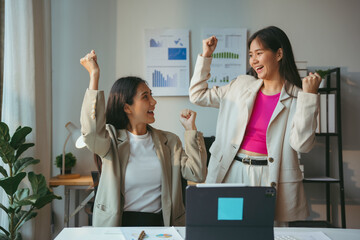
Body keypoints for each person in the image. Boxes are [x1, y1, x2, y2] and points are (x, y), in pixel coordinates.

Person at [189, 26, 322, 224]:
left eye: (259, 53)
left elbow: (302, 144)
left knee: (265, 232)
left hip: (269, 175)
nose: (253, 60)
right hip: (233, 170)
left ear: (279, 54)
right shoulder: (241, 85)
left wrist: (310, 96)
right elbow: (197, 94)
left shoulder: (298, 97)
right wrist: (206, 56)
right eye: (251, 55)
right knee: (228, 229)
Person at [80, 50, 207, 227]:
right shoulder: (111, 140)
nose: (153, 102)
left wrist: (190, 130)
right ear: (127, 107)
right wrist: (94, 75)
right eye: (145, 97)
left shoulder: (169, 141)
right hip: (118, 227)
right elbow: (91, 133)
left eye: (151, 95)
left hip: (160, 226)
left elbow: (197, 173)